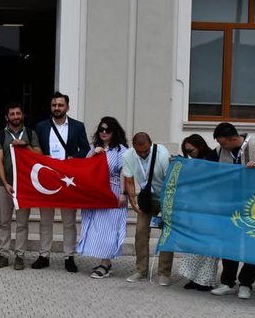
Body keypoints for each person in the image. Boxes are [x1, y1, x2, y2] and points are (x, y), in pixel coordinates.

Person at [210, 122, 255, 299]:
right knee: (229, 244)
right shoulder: (218, 152)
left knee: (252, 244)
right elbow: (204, 167)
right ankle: (228, 282)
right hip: (229, 207)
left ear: (233, 138)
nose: (221, 147)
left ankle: (246, 283)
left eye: (223, 143)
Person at [33, 92, 90, 272]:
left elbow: (86, 149)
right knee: (45, 220)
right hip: (47, 179)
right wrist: (43, 157)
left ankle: (69, 257)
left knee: (69, 221)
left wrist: (75, 159)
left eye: (60, 105)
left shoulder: (77, 126)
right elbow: (36, 149)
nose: (57, 108)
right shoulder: (41, 126)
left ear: (67, 107)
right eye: (54, 105)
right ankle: (44, 255)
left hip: (67, 180)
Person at [77, 117, 129, 279]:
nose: (104, 133)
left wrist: (123, 193)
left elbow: (124, 172)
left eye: (108, 130)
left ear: (115, 132)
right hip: (96, 193)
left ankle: (105, 264)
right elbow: (84, 168)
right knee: (96, 227)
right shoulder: (94, 148)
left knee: (109, 229)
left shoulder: (121, 151)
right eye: (101, 129)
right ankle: (104, 261)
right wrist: (94, 153)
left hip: (113, 191)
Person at [0, 102, 40, 270]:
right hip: (4, 185)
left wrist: (25, 146)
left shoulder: (30, 133)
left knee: (22, 223)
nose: (15, 117)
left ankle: (20, 255)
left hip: (24, 185)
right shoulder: (0, 136)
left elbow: (39, 156)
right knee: (4, 222)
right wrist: (5, 183)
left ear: (22, 115)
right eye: (12, 114)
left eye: (18, 114)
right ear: (7, 117)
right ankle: (3, 254)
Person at [121, 130, 173, 284]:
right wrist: (133, 201)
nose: (142, 154)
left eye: (145, 151)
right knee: (140, 232)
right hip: (146, 198)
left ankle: (164, 273)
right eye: (139, 151)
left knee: (166, 233)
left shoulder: (162, 154)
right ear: (133, 147)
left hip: (165, 197)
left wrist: (167, 206)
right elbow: (129, 180)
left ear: (151, 144)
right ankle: (141, 270)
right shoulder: (128, 156)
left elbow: (170, 181)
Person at [175, 134, 220, 291]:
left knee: (209, 247)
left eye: (190, 150)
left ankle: (206, 280)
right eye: (186, 151)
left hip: (211, 209)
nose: (189, 153)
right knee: (194, 244)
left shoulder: (213, 158)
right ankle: (193, 278)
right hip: (196, 208)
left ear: (199, 146)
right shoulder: (192, 162)